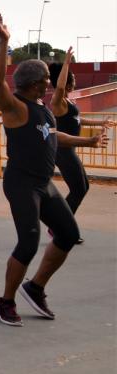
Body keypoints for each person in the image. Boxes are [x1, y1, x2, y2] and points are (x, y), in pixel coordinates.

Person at [0, 13, 108, 326]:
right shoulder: (16, 107)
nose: (49, 83)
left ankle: (35, 287)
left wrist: (89, 141)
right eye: (44, 79)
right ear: (34, 83)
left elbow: (55, 137)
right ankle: (6, 301)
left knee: (68, 234)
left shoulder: (43, 108)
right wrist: (3, 42)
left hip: (44, 183)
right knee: (28, 242)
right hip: (21, 183)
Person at [49, 49, 114, 239]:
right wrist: (66, 63)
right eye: (73, 77)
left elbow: (78, 120)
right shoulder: (58, 102)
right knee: (79, 189)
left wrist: (100, 123)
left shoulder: (68, 102)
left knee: (83, 187)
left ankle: (60, 226)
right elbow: (59, 88)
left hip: (69, 151)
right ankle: (59, 227)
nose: (76, 80)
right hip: (63, 151)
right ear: (68, 81)